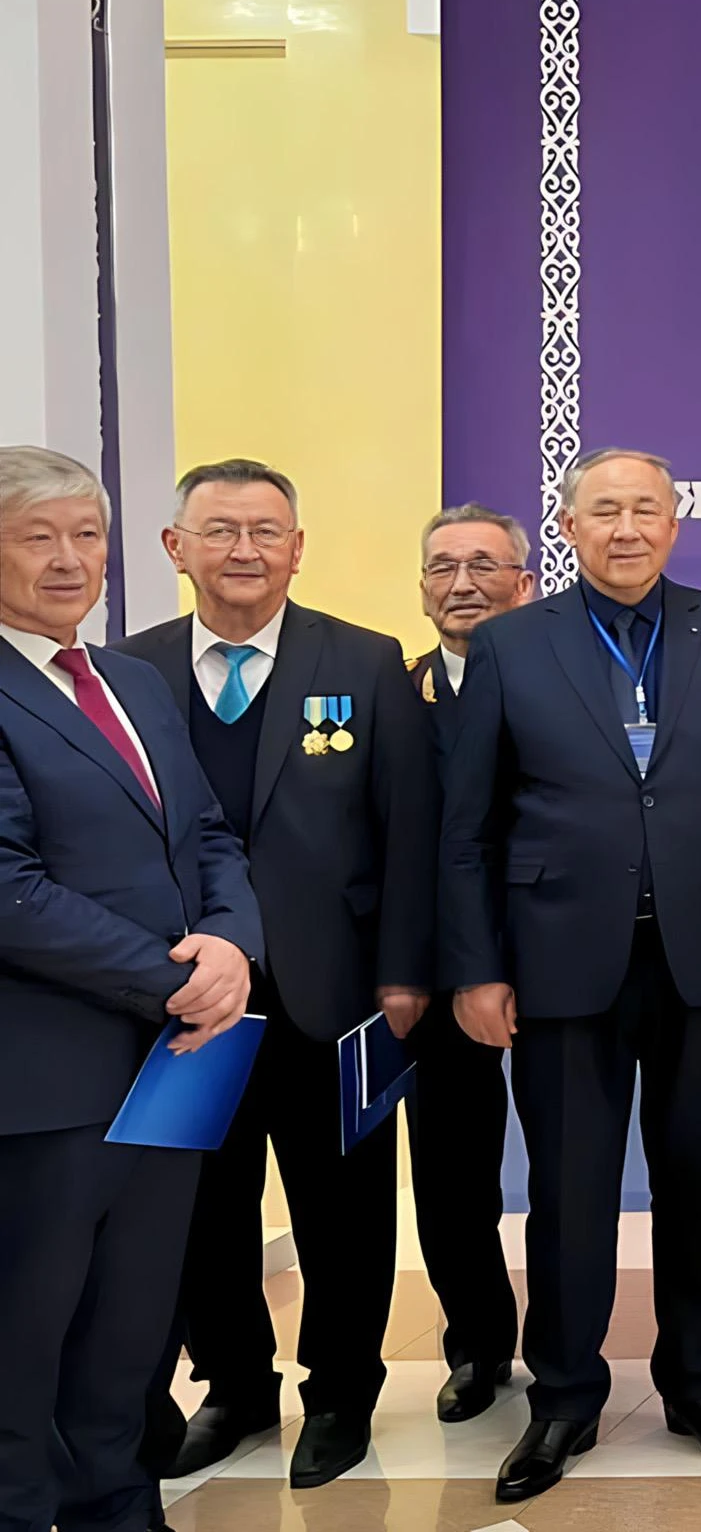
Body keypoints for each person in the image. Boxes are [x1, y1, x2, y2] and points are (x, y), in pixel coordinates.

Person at [437, 447, 701, 1503]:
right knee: (568, 1192)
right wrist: (476, 967)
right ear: (568, 527)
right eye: (604, 510)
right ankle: (564, 1395)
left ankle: (698, 1382)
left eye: (646, 510)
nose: (627, 528)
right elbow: (467, 829)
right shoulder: (511, 642)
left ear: (674, 525)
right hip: (559, 962)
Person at [124, 460, 432, 1489]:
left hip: (335, 992)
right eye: (220, 530)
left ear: (298, 549)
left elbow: (408, 829)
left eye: (266, 531)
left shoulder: (366, 660)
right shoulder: (130, 672)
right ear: (177, 548)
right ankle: (236, 1388)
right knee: (201, 1209)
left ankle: (340, 1394)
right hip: (185, 998)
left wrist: (405, 973)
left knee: (345, 1210)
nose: (244, 550)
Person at [0, 445, 259, 1532]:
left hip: (169, 1074)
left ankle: (120, 1511)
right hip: (47, 1084)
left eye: (87, 535)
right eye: (38, 537)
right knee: (24, 1340)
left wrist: (234, 946)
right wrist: (171, 981)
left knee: (129, 1333)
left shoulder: (134, 681)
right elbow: (9, 888)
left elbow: (208, 836)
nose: (69, 559)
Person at [403, 504, 536, 1425]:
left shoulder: (567, 684)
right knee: (453, 1177)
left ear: (523, 585)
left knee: (572, 1172)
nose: (463, 585)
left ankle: (568, 1347)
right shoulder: (390, 697)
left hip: (563, 958)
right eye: (444, 567)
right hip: (443, 968)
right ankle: (479, 1344)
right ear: (422, 590)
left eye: (484, 566)